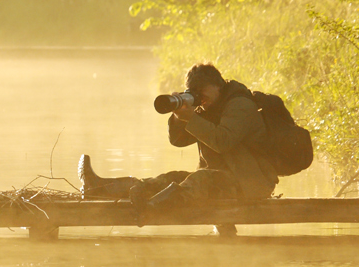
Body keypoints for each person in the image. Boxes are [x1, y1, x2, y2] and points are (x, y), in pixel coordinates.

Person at [78, 64, 278, 209]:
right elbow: (178, 141)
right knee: (170, 178)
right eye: (195, 92)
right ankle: (98, 188)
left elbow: (222, 142)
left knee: (199, 178)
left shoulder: (240, 105)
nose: (200, 97)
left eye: (203, 90)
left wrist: (191, 117)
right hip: (220, 178)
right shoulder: (210, 106)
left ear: (218, 85)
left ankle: (153, 208)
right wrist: (178, 116)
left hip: (251, 184)